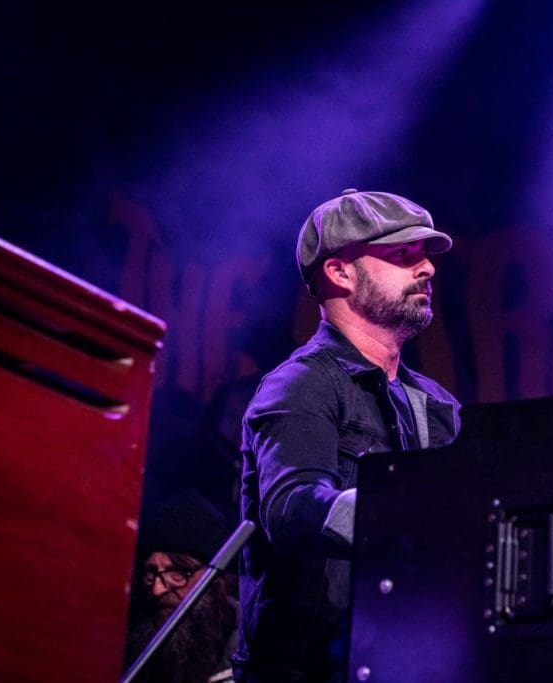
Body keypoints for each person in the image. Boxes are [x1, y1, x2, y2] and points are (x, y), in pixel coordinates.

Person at [233, 189, 462, 682]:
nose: (427, 269)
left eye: (424, 256)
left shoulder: (438, 407)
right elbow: (292, 507)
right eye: (403, 254)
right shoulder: (302, 384)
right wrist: (412, 516)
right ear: (340, 272)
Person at [125, 491, 239, 683]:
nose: (157, 589)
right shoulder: (123, 647)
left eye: (178, 574)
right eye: (151, 573)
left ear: (218, 581)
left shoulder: (254, 661)